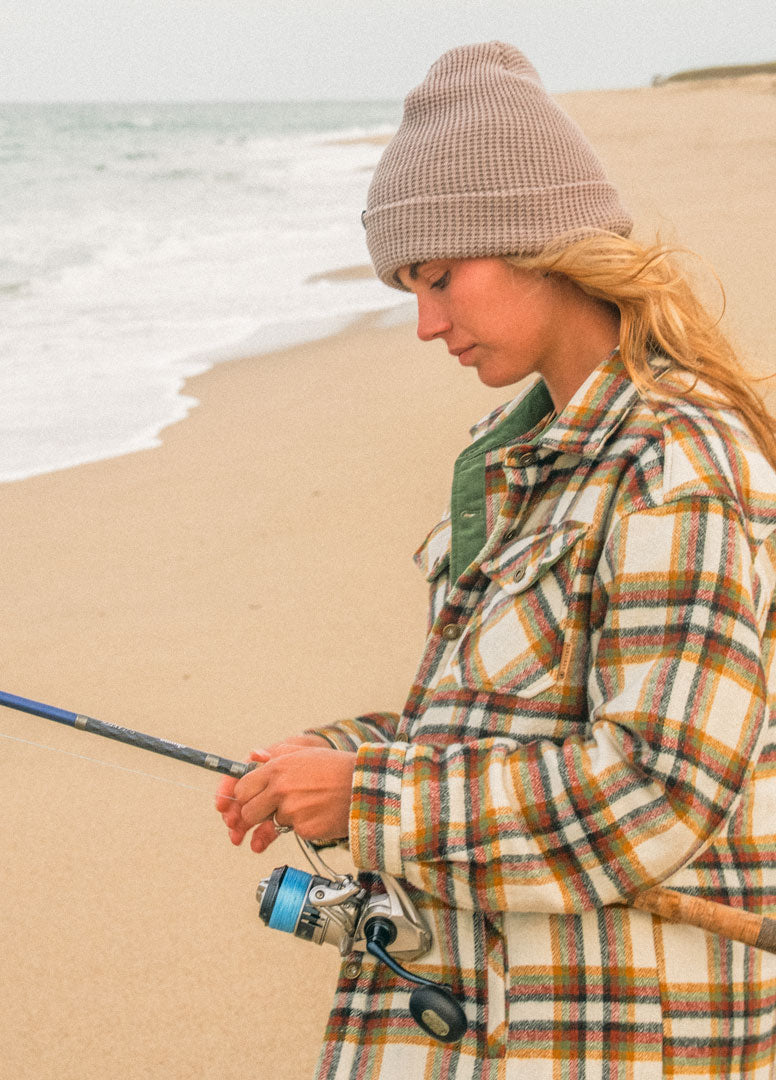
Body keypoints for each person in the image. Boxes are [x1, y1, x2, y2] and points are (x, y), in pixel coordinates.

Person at [216, 41, 776, 1078]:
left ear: (539, 244)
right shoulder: (522, 461)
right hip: (506, 1016)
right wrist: (338, 757)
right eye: (409, 288)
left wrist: (371, 798)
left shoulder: (678, 463)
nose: (427, 323)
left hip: (615, 1036)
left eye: (441, 278)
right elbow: (509, 725)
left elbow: (658, 792)